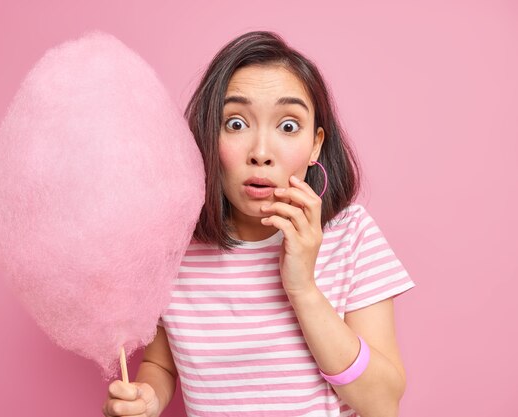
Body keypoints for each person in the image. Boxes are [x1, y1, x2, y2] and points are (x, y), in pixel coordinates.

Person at [103, 30, 415, 417]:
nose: (261, 153)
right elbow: (162, 365)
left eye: (287, 126)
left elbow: (382, 404)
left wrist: (303, 287)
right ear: (207, 136)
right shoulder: (175, 247)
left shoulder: (352, 236)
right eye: (235, 123)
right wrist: (149, 396)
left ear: (316, 143)